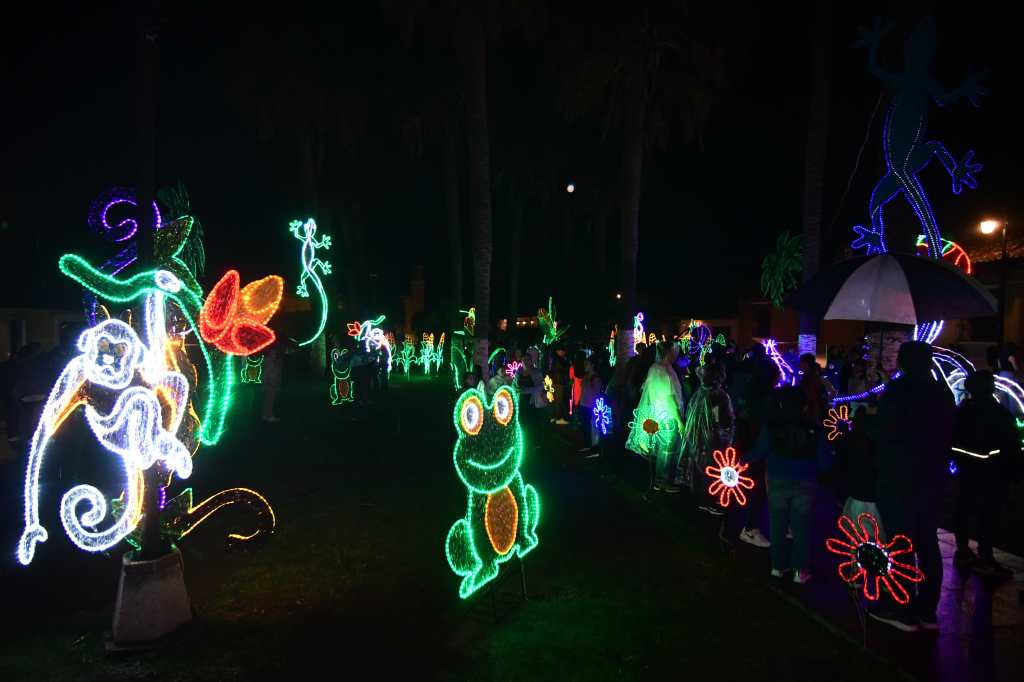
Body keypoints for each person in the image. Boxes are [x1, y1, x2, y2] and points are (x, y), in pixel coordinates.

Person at [870, 341, 954, 632]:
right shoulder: (941, 392)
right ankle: (927, 610)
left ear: (904, 362)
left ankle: (901, 607)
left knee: (900, 542)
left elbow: (885, 433)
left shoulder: (897, 391)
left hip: (899, 477)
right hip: (932, 477)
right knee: (927, 542)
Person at [749, 387, 832, 584]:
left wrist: (742, 459)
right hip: (804, 481)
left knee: (777, 524)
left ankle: (777, 567)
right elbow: (824, 463)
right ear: (804, 406)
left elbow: (759, 451)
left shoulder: (772, 425)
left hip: (777, 479)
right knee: (801, 527)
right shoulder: (815, 429)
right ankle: (799, 572)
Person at [952, 370, 1020, 579]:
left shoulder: (963, 411)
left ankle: (963, 551)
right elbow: (1010, 445)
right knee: (988, 515)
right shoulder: (998, 413)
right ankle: (985, 558)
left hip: (966, 469)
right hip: (992, 472)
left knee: (964, 510)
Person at [625, 342, 685, 491]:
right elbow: (669, 397)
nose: (676, 353)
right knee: (667, 450)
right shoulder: (662, 371)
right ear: (668, 352)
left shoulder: (656, 368)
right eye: (674, 351)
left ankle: (662, 479)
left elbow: (646, 390)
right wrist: (679, 420)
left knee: (664, 449)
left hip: (659, 413)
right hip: (668, 416)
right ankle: (662, 481)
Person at [679, 361, 734, 513]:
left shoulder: (700, 392)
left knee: (699, 466)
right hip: (712, 440)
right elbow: (724, 422)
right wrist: (726, 439)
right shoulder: (719, 396)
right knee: (711, 469)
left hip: (696, 438)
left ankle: (700, 497)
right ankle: (708, 500)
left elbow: (691, 413)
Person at [577, 357, 604, 456]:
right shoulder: (587, 376)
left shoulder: (595, 378)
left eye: (587, 364)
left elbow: (596, 394)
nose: (584, 366)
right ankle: (588, 445)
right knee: (585, 427)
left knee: (593, 428)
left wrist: (595, 409)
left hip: (591, 407)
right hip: (584, 405)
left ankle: (595, 449)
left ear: (592, 365)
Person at [548, 345, 571, 425]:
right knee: (558, 400)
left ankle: (555, 417)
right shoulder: (558, 360)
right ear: (558, 351)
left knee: (557, 400)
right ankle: (557, 418)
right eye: (562, 351)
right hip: (558, 382)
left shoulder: (556, 359)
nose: (564, 352)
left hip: (557, 381)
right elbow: (561, 370)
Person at [261, 343, 283, 423]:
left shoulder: (272, 360)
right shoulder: (269, 360)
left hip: (272, 382)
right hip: (270, 382)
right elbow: (267, 372)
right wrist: (266, 382)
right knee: (269, 399)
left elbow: (275, 372)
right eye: (273, 352)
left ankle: (266, 415)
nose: (274, 353)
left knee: (269, 399)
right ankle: (268, 415)